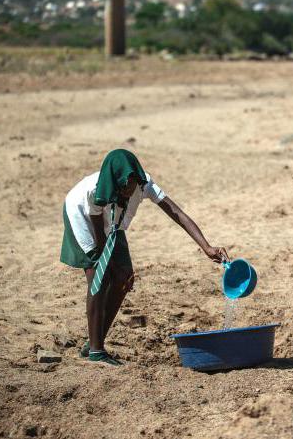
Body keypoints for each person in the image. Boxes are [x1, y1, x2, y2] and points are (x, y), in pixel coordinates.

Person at [60, 149, 229, 366]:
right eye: (123, 189)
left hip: (113, 222)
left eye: (131, 188)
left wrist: (206, 247)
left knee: (124, 279)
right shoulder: (94, 191)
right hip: (83, 216)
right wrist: (111, 266)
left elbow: (176, 213)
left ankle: (94, 341)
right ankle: (96, 350)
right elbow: (100, 240)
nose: (128, 193)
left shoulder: (144, 183)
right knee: (98, 277)